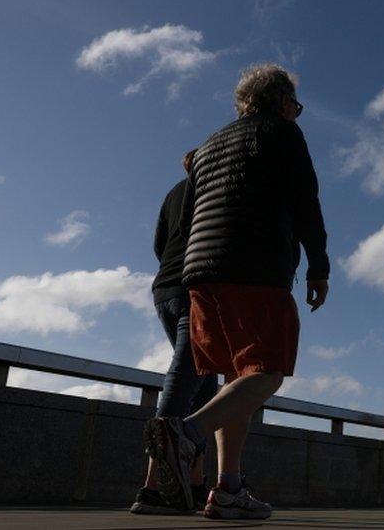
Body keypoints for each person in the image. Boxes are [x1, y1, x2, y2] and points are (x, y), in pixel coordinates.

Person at [145, 63, 329, 520]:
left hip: (200, 277)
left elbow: (182, 222)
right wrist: (319, 267)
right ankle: (186, 436)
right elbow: (306, 201)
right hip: (256, 267)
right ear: (283, 102)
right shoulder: (282, 133)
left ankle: (228, 487)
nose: (296, 113)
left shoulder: (208, 144)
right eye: (295, 106)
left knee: (235, 378)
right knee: (267, 372)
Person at [131, 150, 219, 515]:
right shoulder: (218, 190)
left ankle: (196, 484)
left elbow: (159, 243)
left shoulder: (173, 192)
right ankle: (153, 487)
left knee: (204, 380)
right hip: (194, 289)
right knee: (184, 378)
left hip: (164, 291)